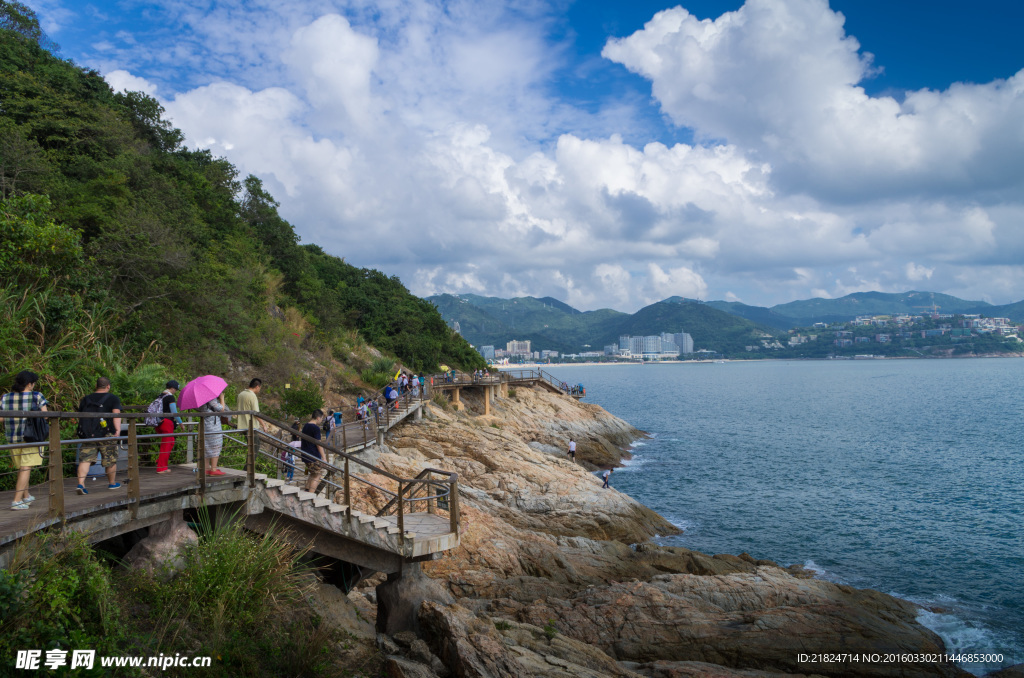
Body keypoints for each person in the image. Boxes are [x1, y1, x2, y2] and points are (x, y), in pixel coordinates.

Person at [1, 371, 48, 510]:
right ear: (29, 384)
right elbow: (45, 416)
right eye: (33, 383)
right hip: (31, 437)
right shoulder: (36, 396)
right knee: (26, 467)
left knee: (22, 467)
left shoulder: (5, 397)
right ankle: (16, 501)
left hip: (12, 437)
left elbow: (1, 417)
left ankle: (26, 496)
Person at [76, 377, 122, 494]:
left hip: (88, 434)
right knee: (110, 459)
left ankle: (81, 484)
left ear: (96, 386)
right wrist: (117, 430)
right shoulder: (113, 398)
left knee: (85, 459)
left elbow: (80, 415)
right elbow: (116, 414)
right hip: (106, 433)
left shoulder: (86, 399)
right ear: (108, 386)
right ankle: (112, 483)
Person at [154, 380, 183, 473]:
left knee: (171, 442)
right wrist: (181, 423)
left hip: (159, 423)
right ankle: (161, 468)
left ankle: (161, 462)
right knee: (166, 445)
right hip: (167, 423)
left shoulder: (160, 396)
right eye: (176, 390)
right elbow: (174, 412)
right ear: (173, 388)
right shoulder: (170, 397)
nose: (176, 392)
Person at [199, 391, 227, 475]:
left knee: (206, 445)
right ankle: (213, 469)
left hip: (205, 423)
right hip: (213, 425)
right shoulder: (210, 398)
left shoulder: (201, 397)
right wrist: (222, 398)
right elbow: (221, 409)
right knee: (216, 444)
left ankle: (206, 468)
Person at [300, 409, 327, 494]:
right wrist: (324, 457)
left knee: (312, 473)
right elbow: (318, 443)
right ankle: (310, 495)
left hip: (305, 454)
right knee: (317, 475)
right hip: (313, 455)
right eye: (322, 418)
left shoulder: (306, 426)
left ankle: (307, 490)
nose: (322, 420)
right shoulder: (315, 428)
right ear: (318, 418)